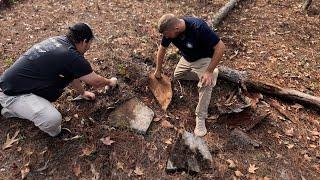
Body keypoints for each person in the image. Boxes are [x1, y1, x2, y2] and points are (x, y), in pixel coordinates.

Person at [0, 23, 117, 137]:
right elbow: (96, 81)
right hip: (12, 93)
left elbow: (71, 73)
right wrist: (110, 81)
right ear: (85, 41)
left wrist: (82, 92)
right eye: (90, 42)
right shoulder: (71, 56)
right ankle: (11, 110)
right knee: (53, 119)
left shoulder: (59, 41)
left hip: (15, 83)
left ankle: (18, 108)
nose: (90, 46)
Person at [154, 14, 225, 137]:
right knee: (178, 75)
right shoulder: (170, 29)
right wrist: (158, 70)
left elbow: (221, 47)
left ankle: (201, 117)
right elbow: (162, 50)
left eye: (166, 34)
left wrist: (208, 71)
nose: (165, 37)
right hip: (187, 59)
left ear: (176, 29)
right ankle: (210, 75)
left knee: (206, 83)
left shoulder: (199, 27)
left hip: (204, 59)